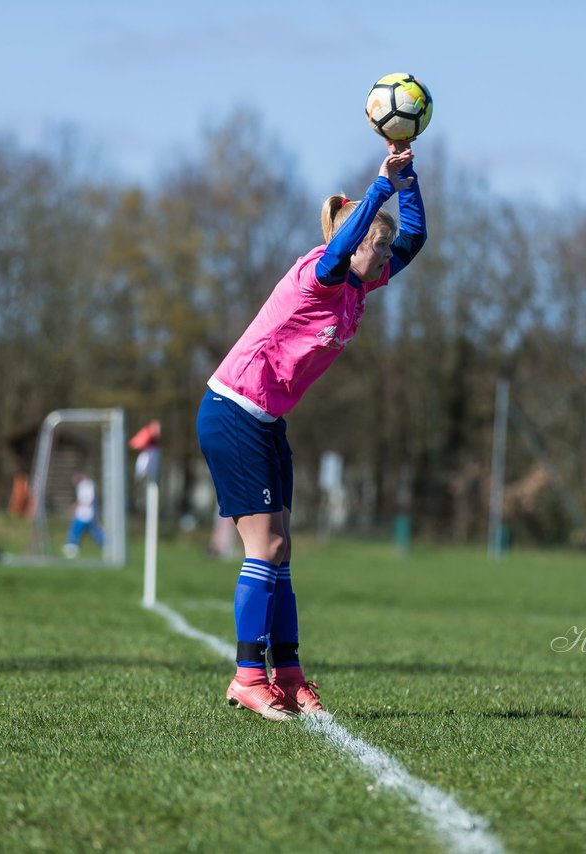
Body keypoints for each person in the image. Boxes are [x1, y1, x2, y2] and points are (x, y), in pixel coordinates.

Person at [196, 137, 425, 720]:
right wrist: (380, 185)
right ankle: (249, 676)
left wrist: (409, 177)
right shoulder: (318, 276)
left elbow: (416, 238)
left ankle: (290, 675)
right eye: (380, 247)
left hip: (266, 421)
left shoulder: (357, 284)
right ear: (354, 246)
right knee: (265, 546)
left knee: (283, 551)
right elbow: (345, 245)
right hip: (234, 410)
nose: (386, 257)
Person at [63, 471, 105, 558]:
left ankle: (71, 549)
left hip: (84, 514)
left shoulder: (85, 485)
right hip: (87, 514)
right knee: (96, 532)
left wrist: (73, 508)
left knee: (74, 531)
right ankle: (107, 546)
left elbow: (85, 499)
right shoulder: (86, 485)